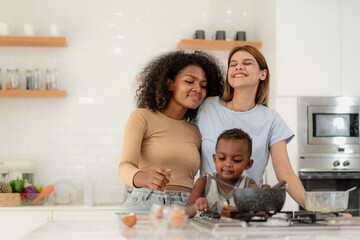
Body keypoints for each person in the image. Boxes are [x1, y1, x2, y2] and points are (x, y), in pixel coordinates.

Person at [196, 45, 306, 208]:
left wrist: (320, 209)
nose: (238, 67)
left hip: (249, 212)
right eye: (233, 64)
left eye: (247, 63)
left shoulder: (272, 120)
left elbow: (286, 174)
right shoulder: (205, 107)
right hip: (209, 213)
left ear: (263, 74)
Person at [118, 50, 224, 212]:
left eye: (203, 85)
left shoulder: (196, 131)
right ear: (169, 84)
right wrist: (146, 178)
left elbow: (213, 172)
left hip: (187, 209)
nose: (198, 89)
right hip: (147, 203)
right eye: (189, 81)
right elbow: (125, 166)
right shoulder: (142, 117)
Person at [185, 128, 257, 218]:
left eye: (236, 160)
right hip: (208, 232)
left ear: (248, 164)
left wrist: (241, 213)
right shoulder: (204, 182)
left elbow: (260, 214)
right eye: (222, 158)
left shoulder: (249, 184)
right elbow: (185, 212)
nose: (228, 164)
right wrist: (196, 206)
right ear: (215, 159)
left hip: (238, 232)